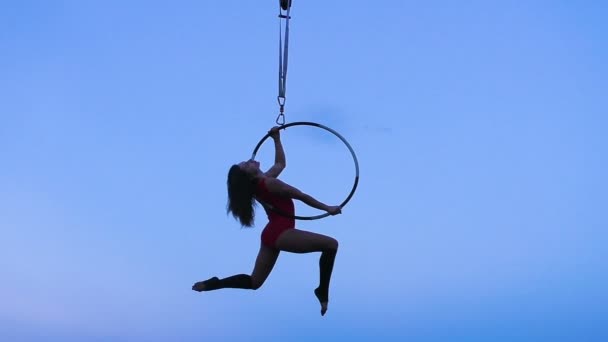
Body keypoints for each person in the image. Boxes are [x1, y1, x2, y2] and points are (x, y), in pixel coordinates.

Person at [192, 126, 342, 316]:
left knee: (254, 282)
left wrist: (276, 139)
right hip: (281, 233)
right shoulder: (270, 183)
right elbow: (302, 196)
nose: (249, 160)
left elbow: (280, 164)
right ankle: (322, 290)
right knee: (331, 244)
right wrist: (327, 208)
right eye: (246, 164)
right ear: (249, 174)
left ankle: (214, 283)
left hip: (271, 234)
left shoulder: (259, 184)